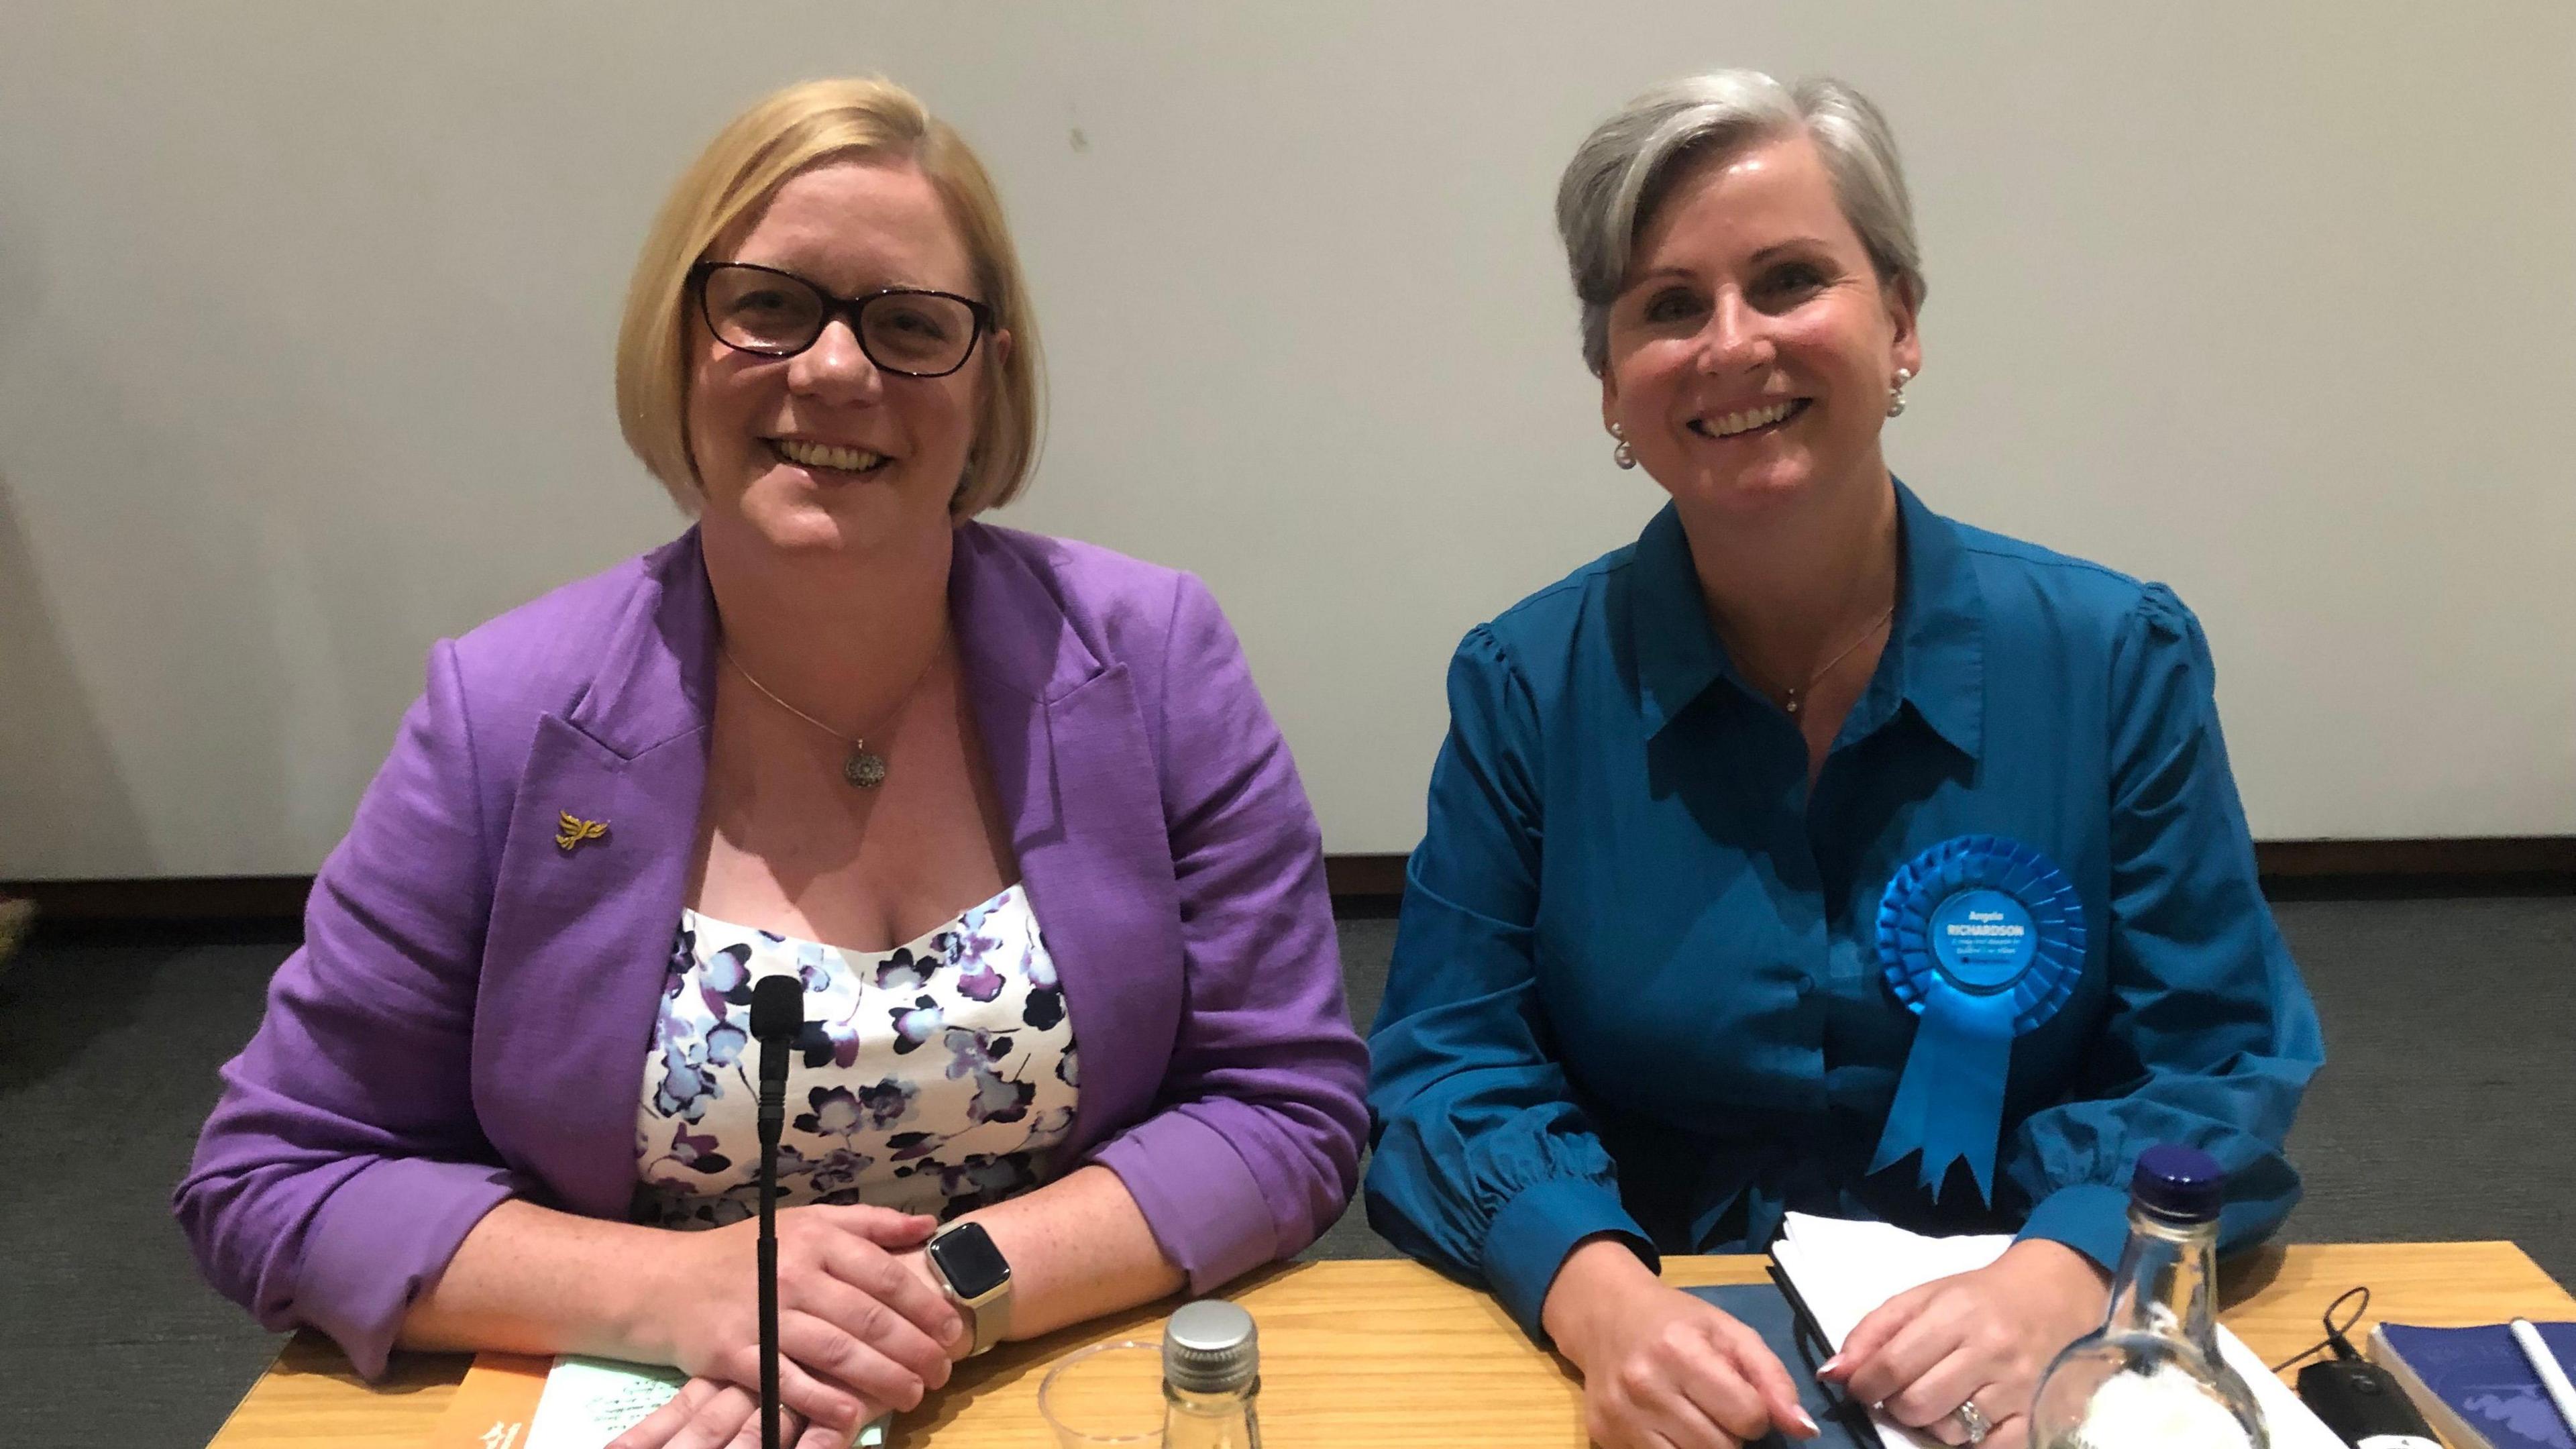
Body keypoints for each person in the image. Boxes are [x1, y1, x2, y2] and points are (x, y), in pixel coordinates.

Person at [176, 77, 1368, 1449]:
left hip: (1050, 1379)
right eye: (770, 307)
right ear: (675, 348)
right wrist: (690, 1291)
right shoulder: (501, 710)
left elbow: (1286, 1108)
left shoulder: (1153, 659)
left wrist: (933, 1298)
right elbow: (273, 1177)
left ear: (990, 390)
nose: (837, 372)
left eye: (911, 325)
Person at [1362, 71, 2322, 1449]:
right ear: (1610, 384)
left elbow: (2218, 1052)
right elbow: (1450, 1063)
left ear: (1903, 323)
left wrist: (2064, 1274)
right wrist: (1597, 1300)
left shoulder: (2114, 657)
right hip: (1661, 1351)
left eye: (1790, 279)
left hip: (2021, 1350)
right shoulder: (1528, 685)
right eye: (1669, 305)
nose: (1731, 344)